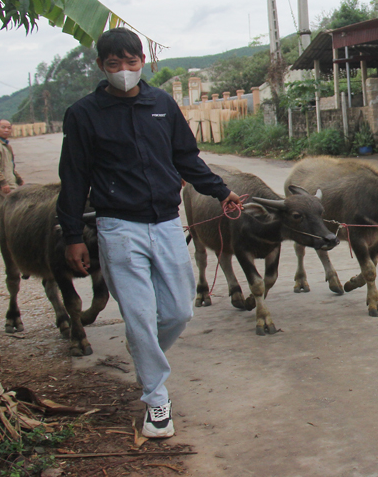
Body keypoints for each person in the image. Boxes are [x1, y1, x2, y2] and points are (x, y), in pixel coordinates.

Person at [57, 28, 241, 438]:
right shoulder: (83, 114)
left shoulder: (162, 104)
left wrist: (221, 191)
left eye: (131, 61)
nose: (124, 70)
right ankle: (156, 399)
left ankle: (142, 348)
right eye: (114, 64)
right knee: (139, 314)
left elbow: (186, 158)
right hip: (118, 227)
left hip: (165, 222)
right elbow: (73, 178)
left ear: (143, 60)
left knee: (178, 311)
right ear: (102, 67)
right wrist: (72, 235)